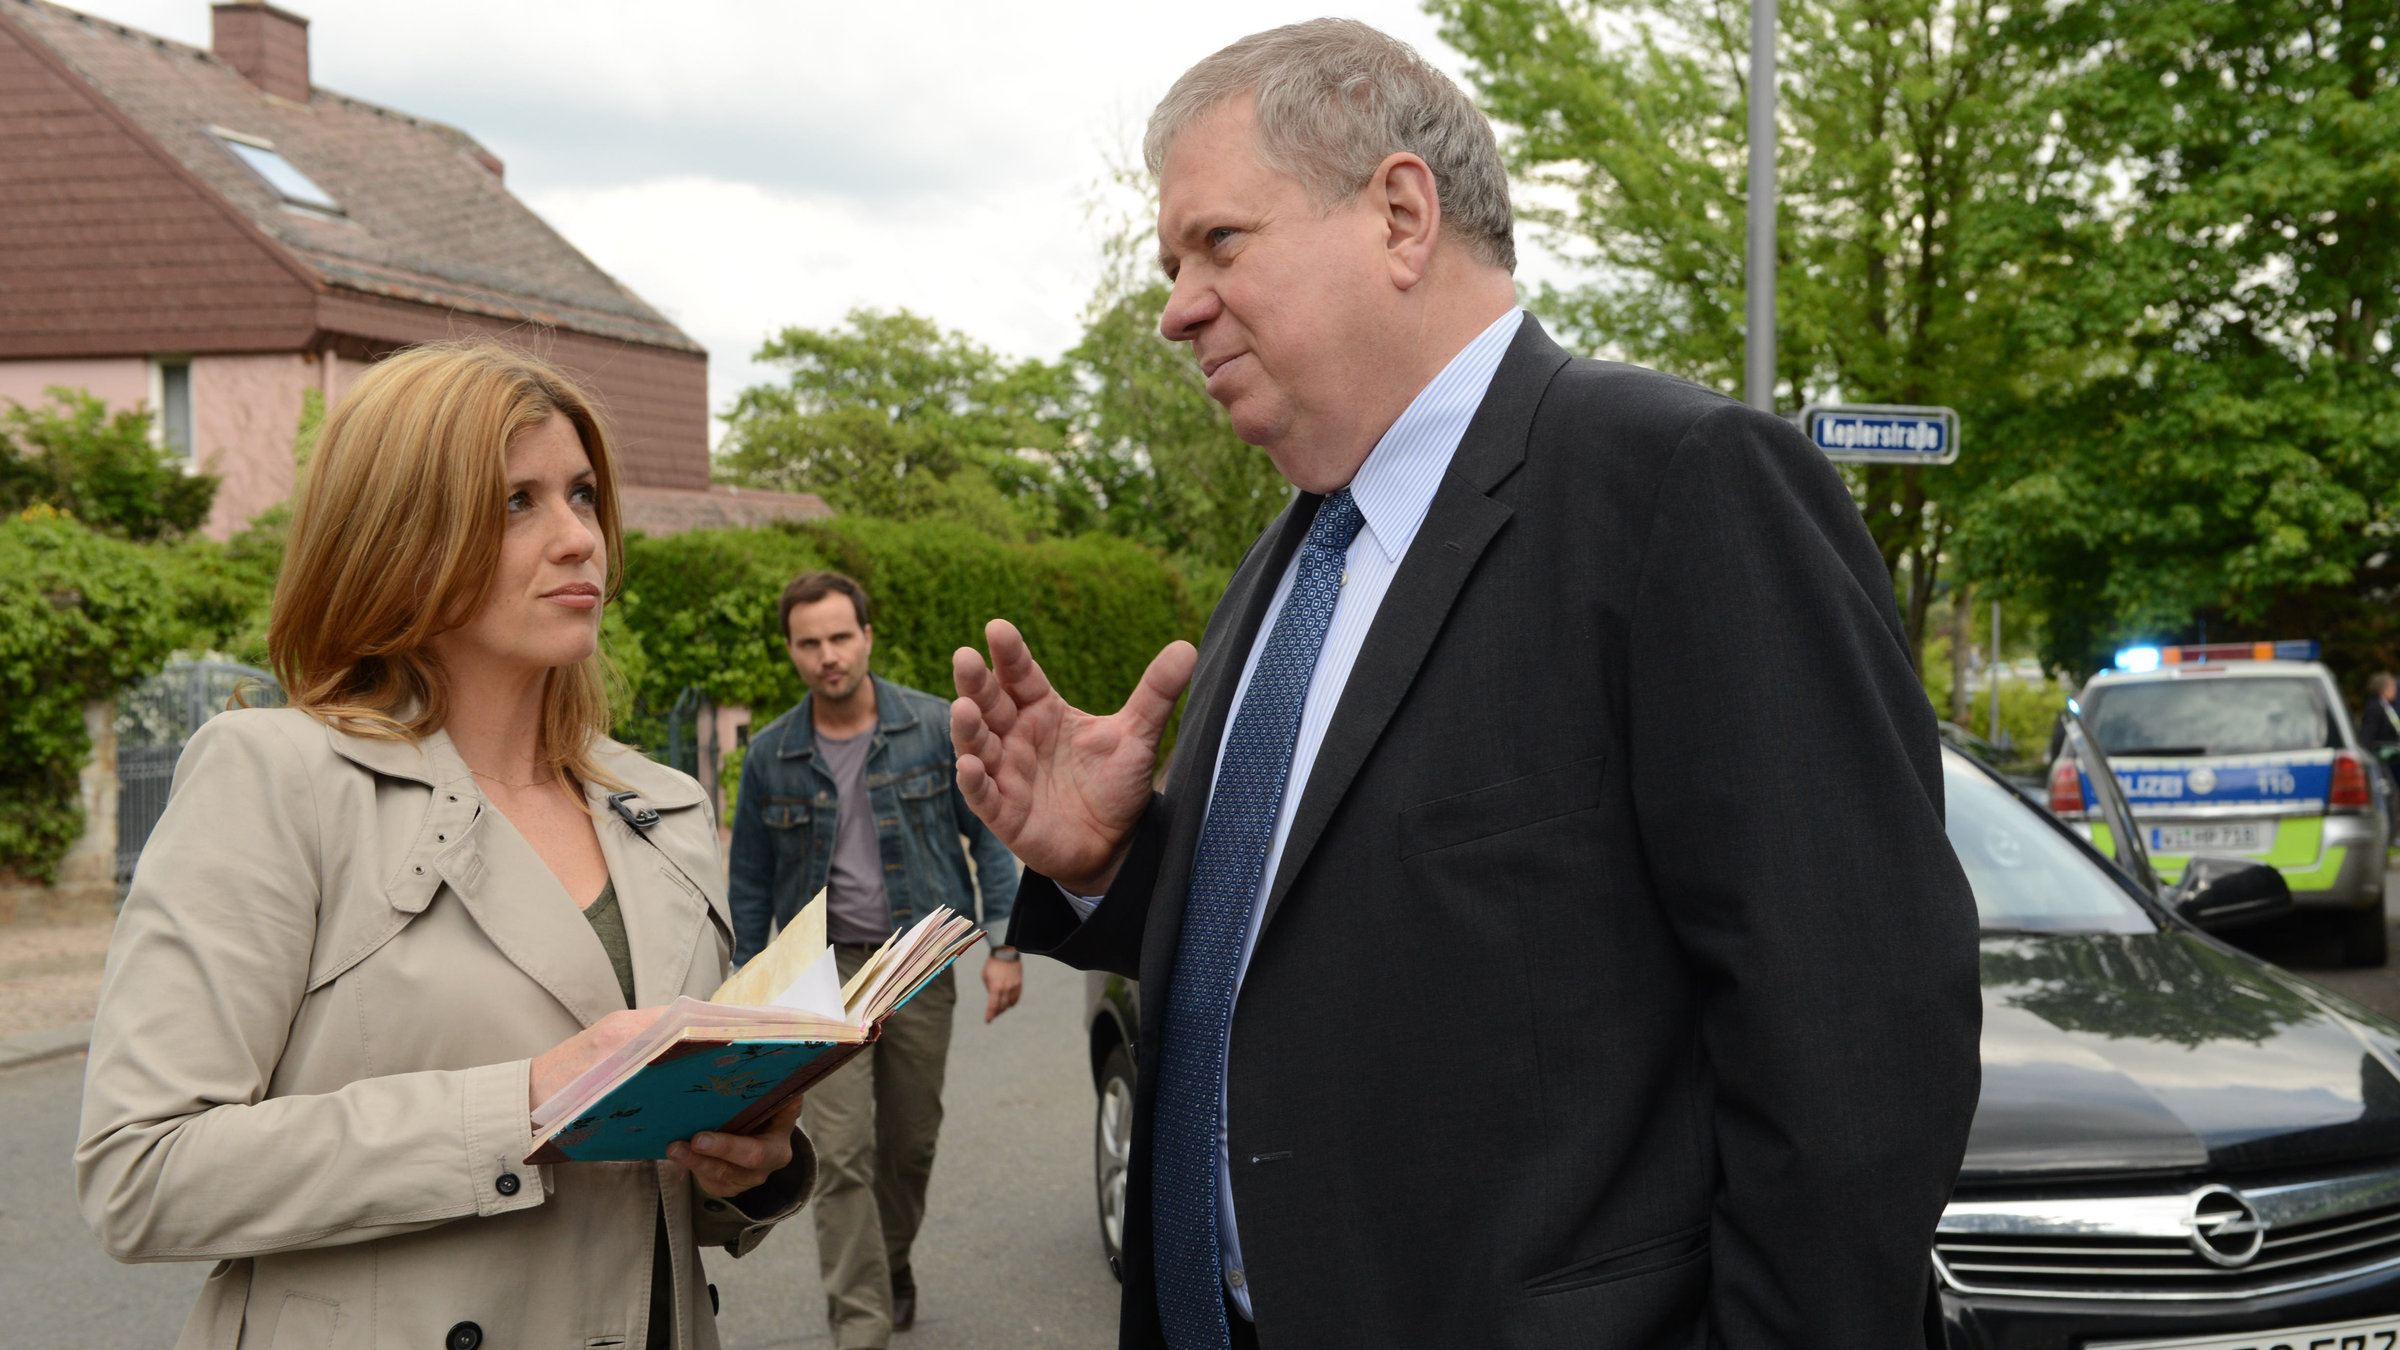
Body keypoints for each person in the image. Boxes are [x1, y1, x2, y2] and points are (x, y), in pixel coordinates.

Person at [948, 20, 1982, 1350]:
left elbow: (1856, 1049)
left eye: (1219, 243)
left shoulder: (1681, 486)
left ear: (1400, 214)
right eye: (1171, 264)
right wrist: (1111, 867)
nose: (1176, 306)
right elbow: (1355, 944)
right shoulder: (1289, 560)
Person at [77, 342, 815, 1350]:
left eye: (583, 495)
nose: (578, 539)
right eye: (516, 502)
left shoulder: (666, 805)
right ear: (398, 538)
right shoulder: (278, 778)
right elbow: (140, 1172)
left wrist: (755, 1163)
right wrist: (521, 1108)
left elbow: (661, 1191)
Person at [728, 571, 1023, 1350]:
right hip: (819, 977)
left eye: (839, 637)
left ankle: (888, 1264)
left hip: (917, 961)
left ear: (866, 636)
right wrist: (746, 989)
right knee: (841, 1154)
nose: (827, 655)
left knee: (910, 1142)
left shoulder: (931, 728)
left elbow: (991, 836)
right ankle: (861, 1327)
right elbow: (749, 881)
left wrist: (1004, 944)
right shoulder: (771, 755)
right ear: (792, 651)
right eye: (810, 643)